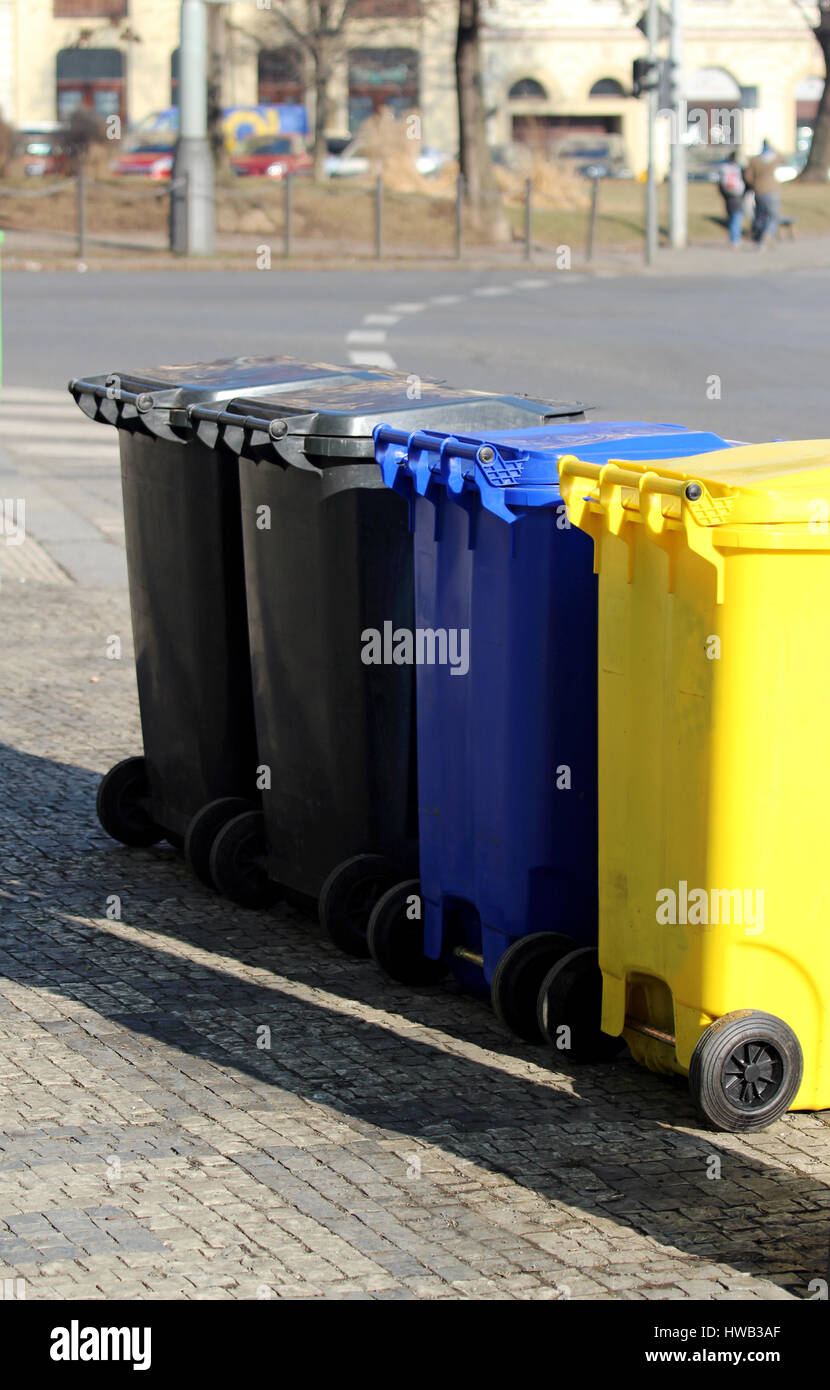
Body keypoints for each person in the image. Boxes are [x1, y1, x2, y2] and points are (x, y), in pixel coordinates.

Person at [743, 140, 784, 248]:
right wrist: (774, 148)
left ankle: (758, 236)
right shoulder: (774, 159)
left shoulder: (754, 160)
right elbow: (783, 157)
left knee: (760, 215)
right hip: (772, 190)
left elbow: (748, 177)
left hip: (759, 190)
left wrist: (754, 184)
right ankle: (768, 234)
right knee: (774, 215)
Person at [717, 151, 746, 247]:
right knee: (736, 216)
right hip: (737, 194)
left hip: (727, 194)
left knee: (731, 215)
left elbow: (720, 184)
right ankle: (735, 239)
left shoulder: (724, 168)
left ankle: (733, 237)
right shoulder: (738, 168)